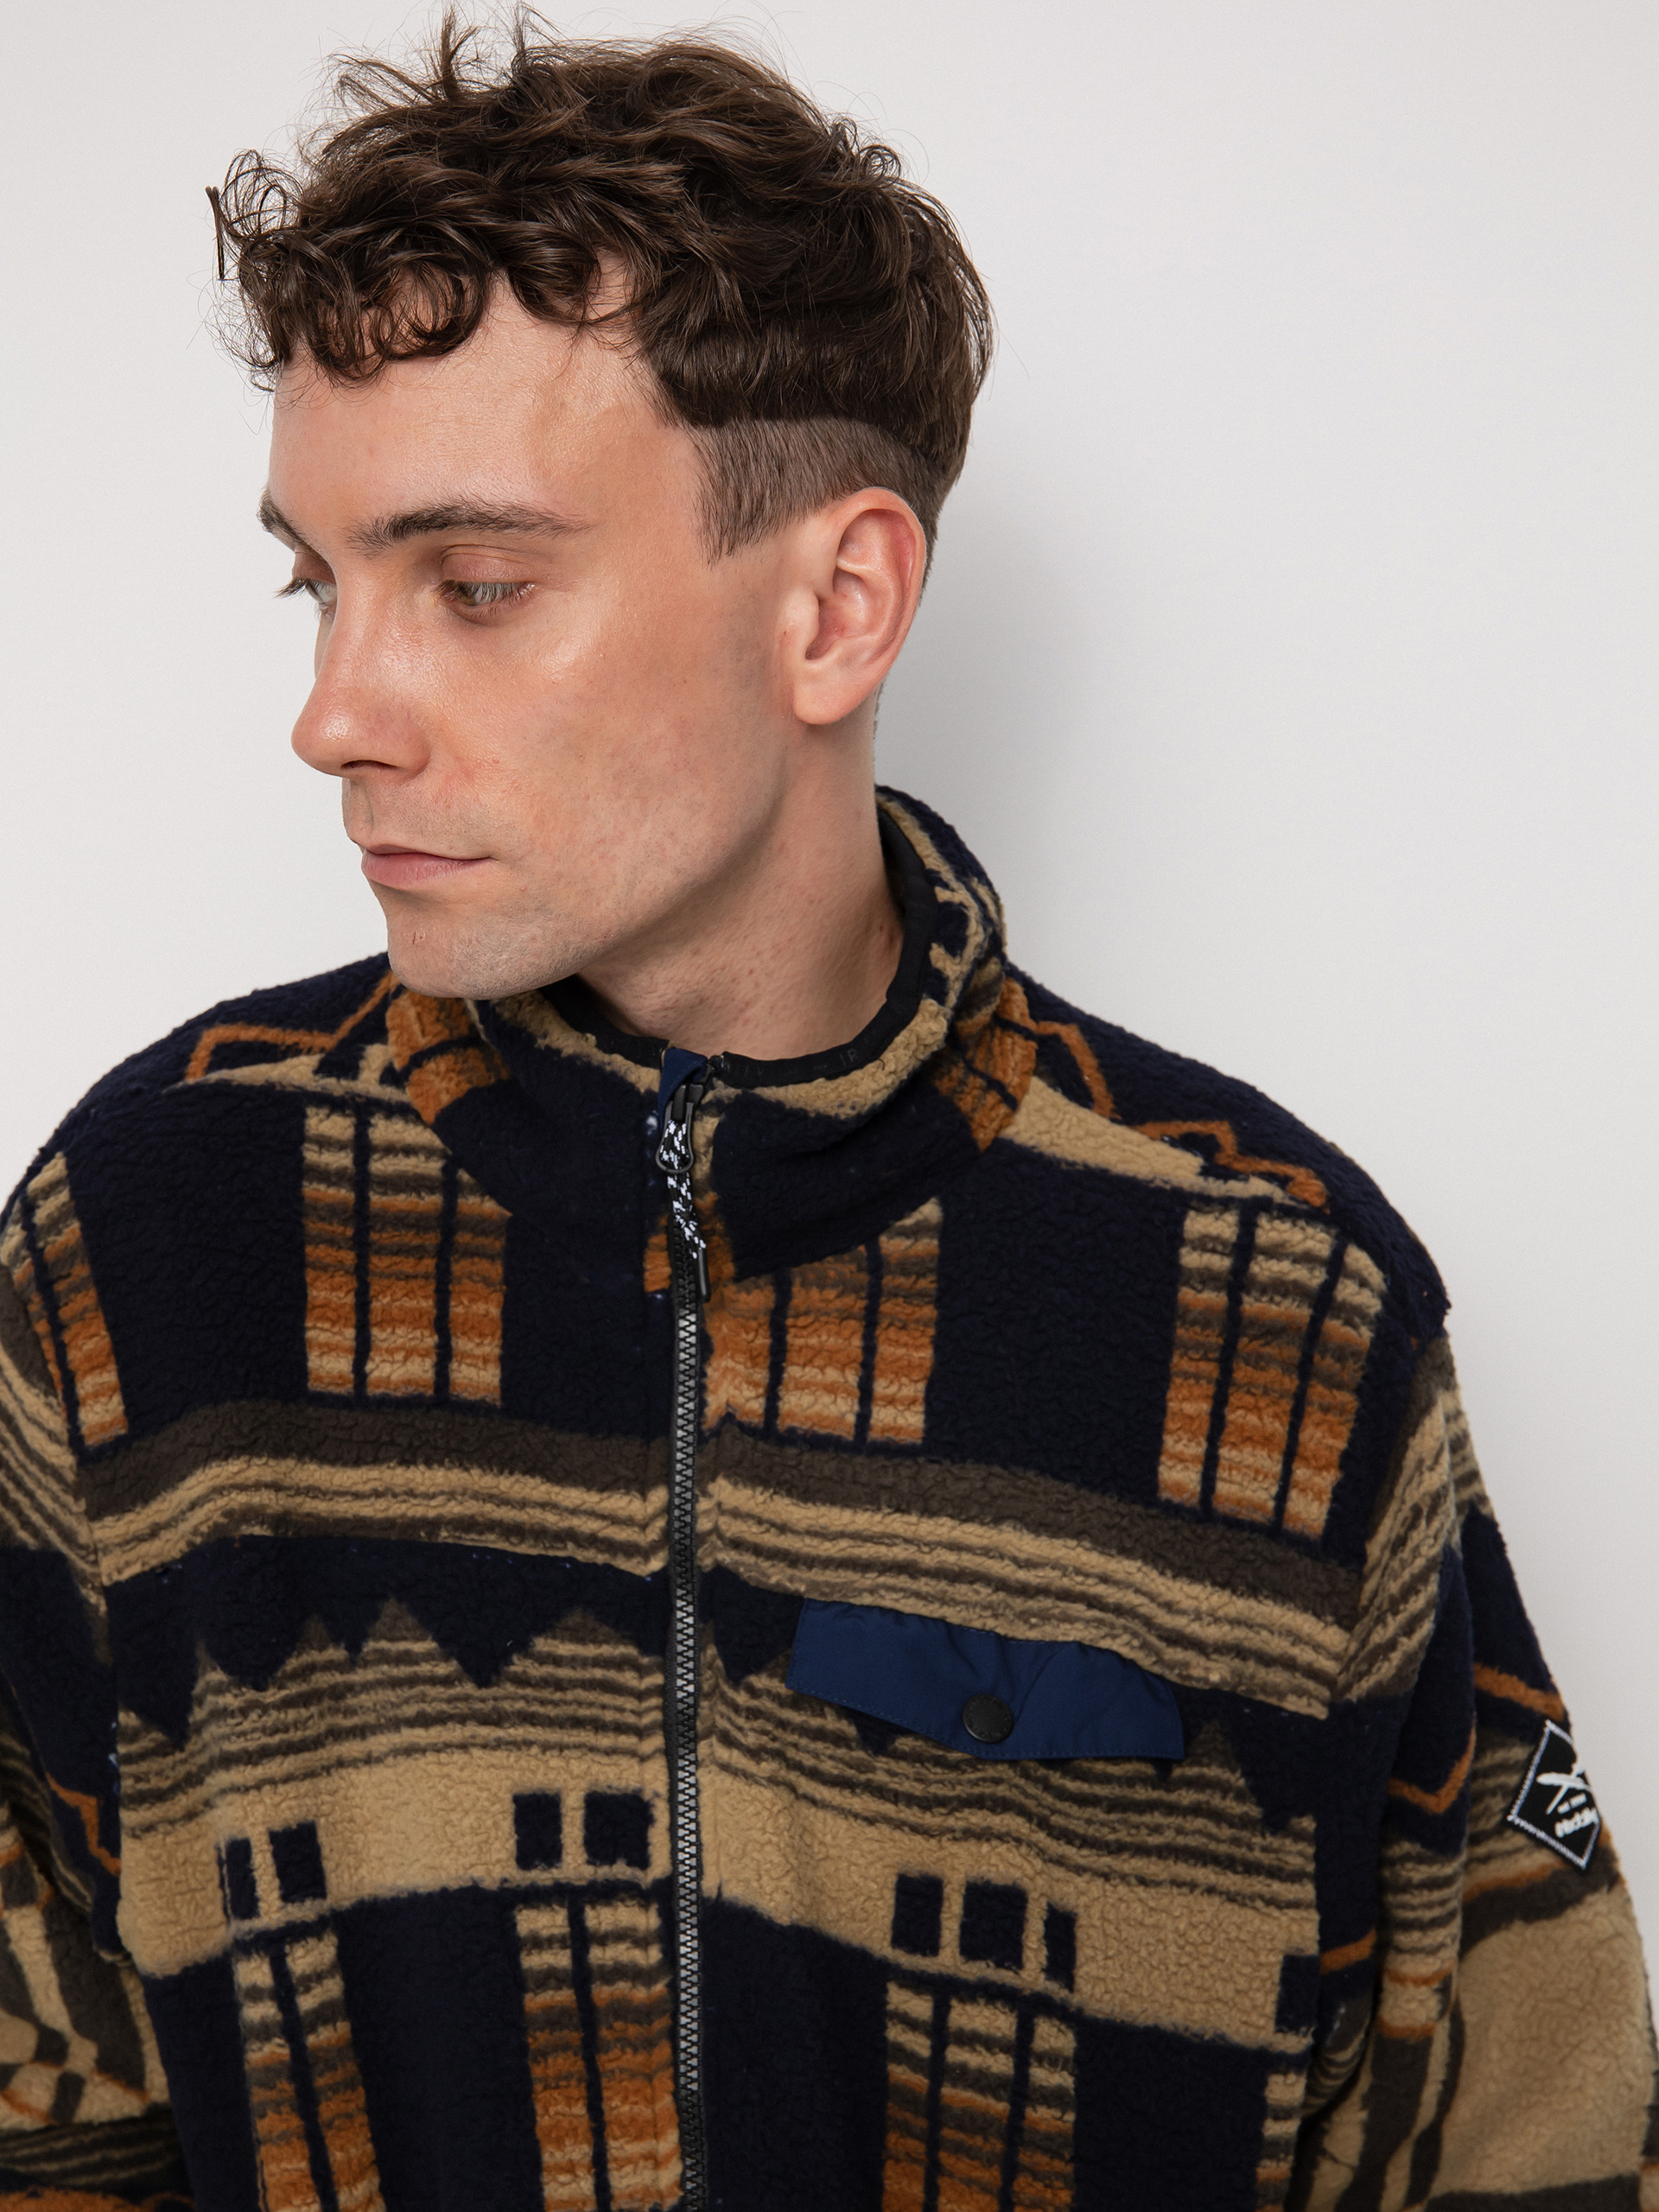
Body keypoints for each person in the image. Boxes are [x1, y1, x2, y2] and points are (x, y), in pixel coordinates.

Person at [0, 17, 1651, 2209]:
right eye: (321, 580)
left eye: (471, 584)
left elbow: (1526, 2135)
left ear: (839, 605)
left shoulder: (1277, 1301)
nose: (332, 712)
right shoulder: (151, 1240)